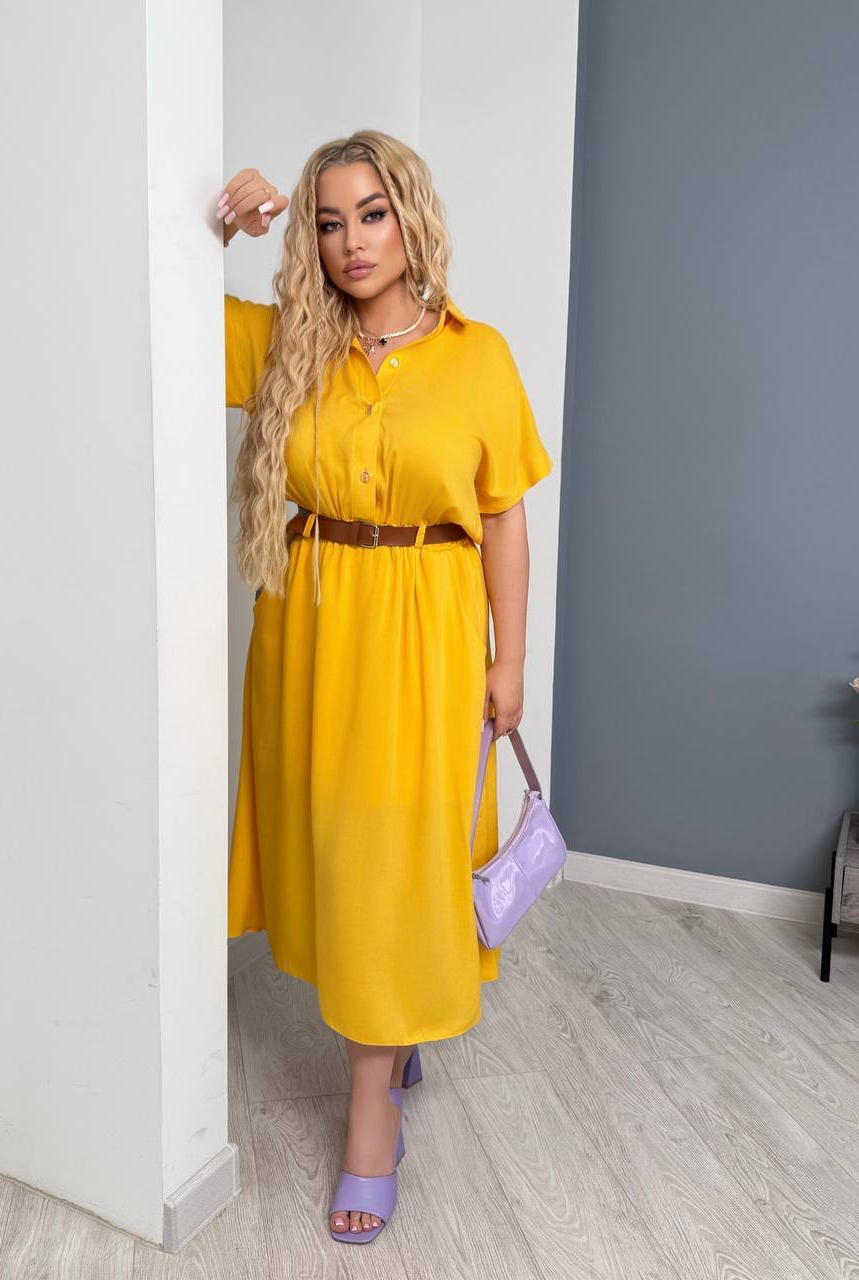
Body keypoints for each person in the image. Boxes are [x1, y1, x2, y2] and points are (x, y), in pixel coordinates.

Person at [218, 129, 553, 1244]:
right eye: (328, 221)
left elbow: (502, 515)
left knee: (392, 857)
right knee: (335, 851)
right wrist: (214, 226)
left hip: (427, 637)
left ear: (409, 216)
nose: (351, 240)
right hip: (310, 631)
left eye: (370, 213)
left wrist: (509, 659)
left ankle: (372, 1115)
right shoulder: (287, 345)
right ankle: (387, 1034)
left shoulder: (477, 355)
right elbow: (160, 317)